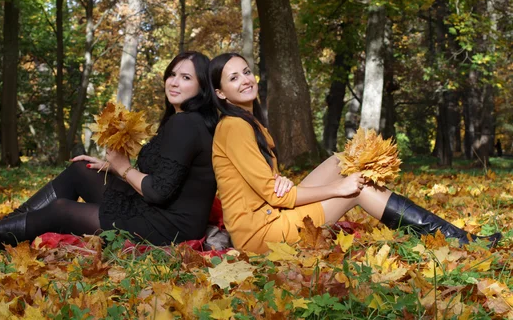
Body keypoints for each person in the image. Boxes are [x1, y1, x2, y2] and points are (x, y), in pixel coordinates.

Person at [0, 51, 218, 249]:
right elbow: (163, 177)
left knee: (60, 210)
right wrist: (112, 166)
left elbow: (158, 191)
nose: (174, 82)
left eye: (186, 77)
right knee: (79, 169)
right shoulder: (180, 121)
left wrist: (123, 166)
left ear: (202, 88)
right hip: (157, 210)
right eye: (172, 73)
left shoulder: (186, 125)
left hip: (166, 226)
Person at [209, 53, 501, 254]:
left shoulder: (250, 123)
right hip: (261, 234)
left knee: (340, 162)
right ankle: (461, 241)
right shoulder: (234, 126)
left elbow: (263, 184)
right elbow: (274, 197)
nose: (245, 80)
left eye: (247, 72)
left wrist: (280, 179)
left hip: (271, 213)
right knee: (356, 191)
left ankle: (453, 236)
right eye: (233, 78)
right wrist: (338, 188)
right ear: (220, 93)